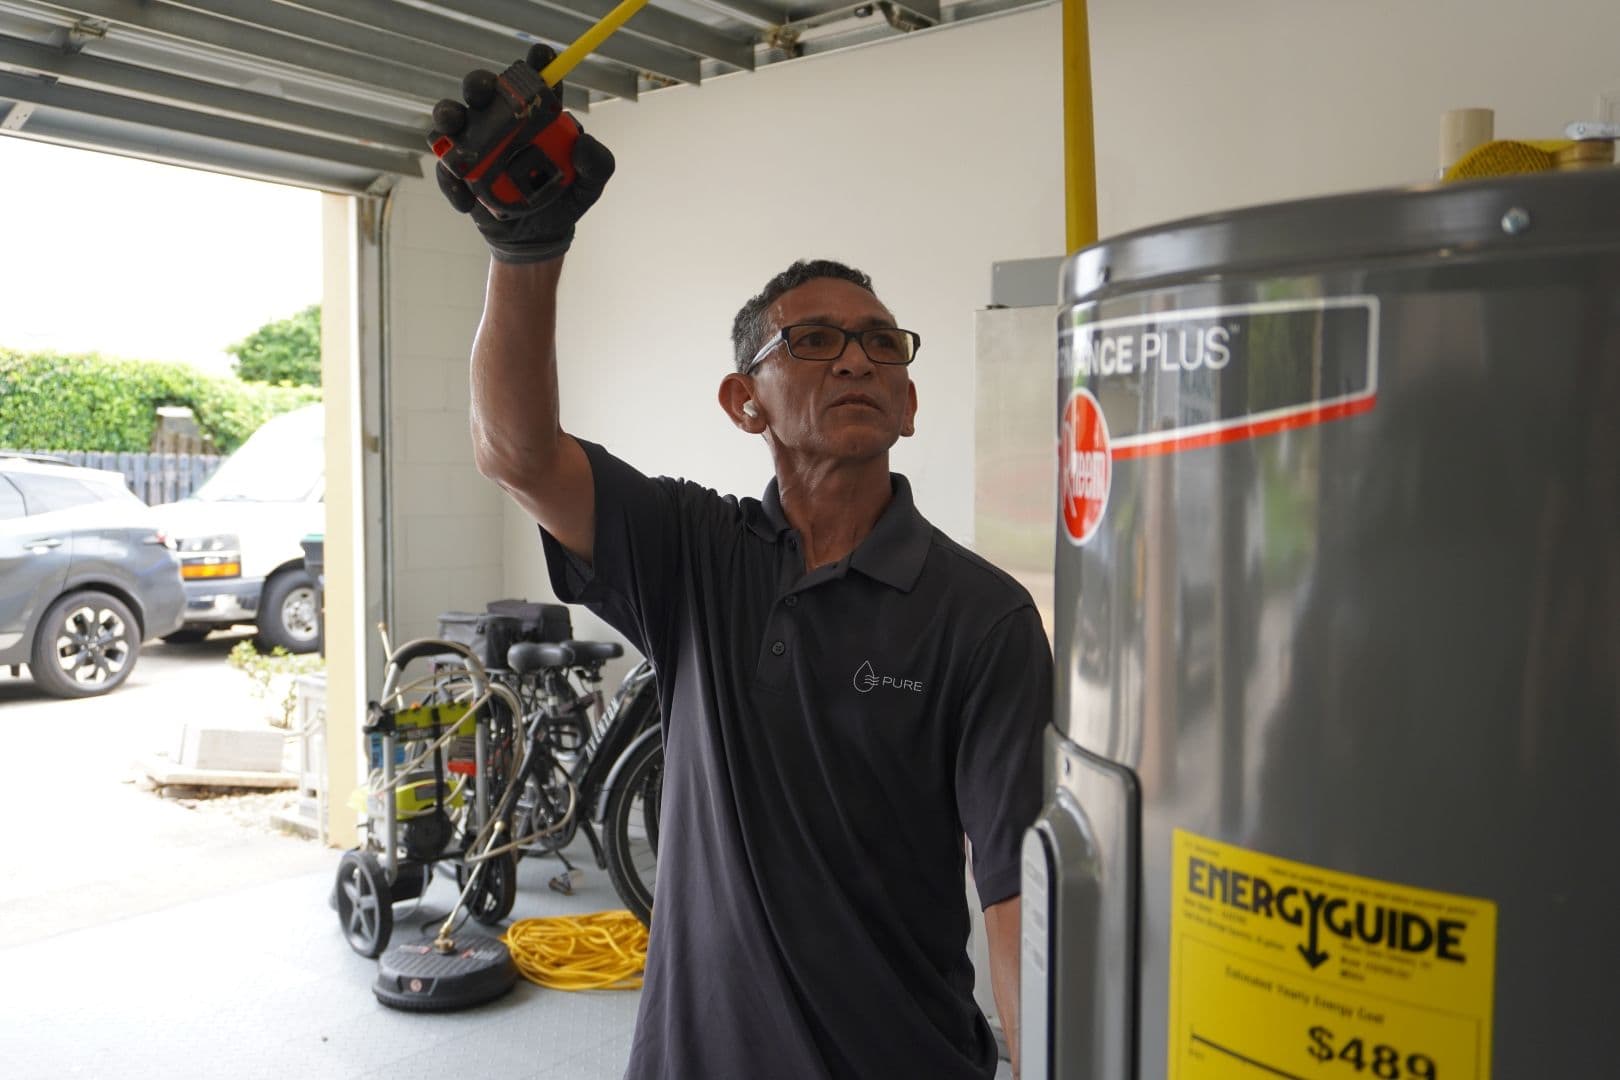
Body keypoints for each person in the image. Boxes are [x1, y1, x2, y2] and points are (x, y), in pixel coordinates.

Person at [432, 48, 1052, 1080]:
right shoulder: (697, 554)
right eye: (813, 340)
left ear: (907, 400)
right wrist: (521, 249)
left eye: (881, 345)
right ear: (744, 401)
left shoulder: (979, 617)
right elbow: (516, 453)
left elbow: (1016, 895)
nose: (857, 359)